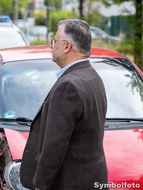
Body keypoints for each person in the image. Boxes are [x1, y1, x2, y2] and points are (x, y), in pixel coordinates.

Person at [20, 19, 108, 190]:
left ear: (67, 46)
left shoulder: (68, 86)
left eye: (54, 41)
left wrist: (40, 185)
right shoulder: (93, 77)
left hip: (69, 183)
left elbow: (54, 146)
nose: (51, 46)